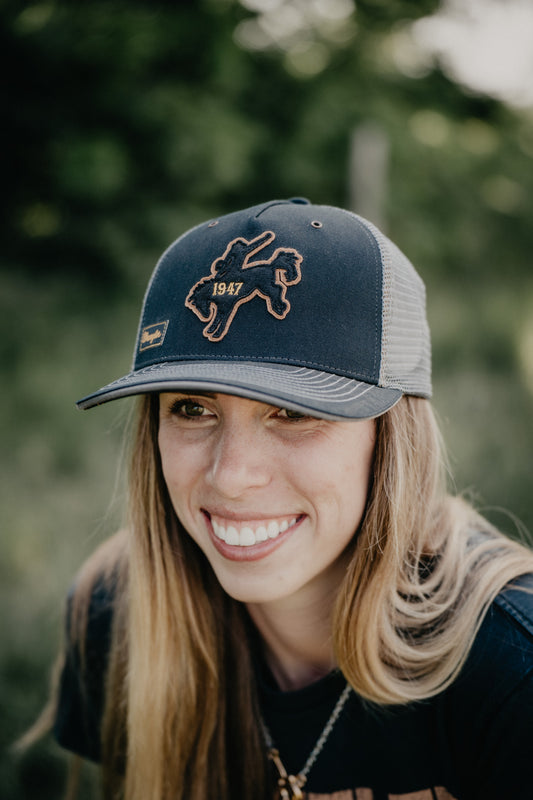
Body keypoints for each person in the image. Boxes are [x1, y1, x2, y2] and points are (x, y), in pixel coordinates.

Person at [48, 199, 533, 800]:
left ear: (392, 438)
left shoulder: (513, 668)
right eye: (193, 409)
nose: (231, 477)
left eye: (294, 413)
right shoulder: (116, 615)